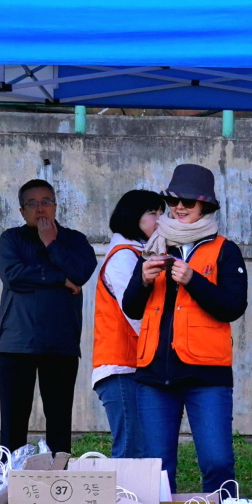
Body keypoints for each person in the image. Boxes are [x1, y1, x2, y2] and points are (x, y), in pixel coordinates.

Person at [122, 164, 248, 493]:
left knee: (218, 461)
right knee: (157, 468)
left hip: (207, 375)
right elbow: (131, 307)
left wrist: (194, 280)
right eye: (173, 201)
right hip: (154, 374)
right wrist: (142, 280)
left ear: (205, 205)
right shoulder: (154, 245)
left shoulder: (226, 250)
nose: (179, 207)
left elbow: (233, 307)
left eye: (188, 202)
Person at [0, 178, 97, 453]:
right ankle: (10, 475)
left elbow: (80, 272)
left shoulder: (74, 240)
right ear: (22, 211)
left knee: (59, 419)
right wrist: (59, 278)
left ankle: (58, 476)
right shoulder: (11, 239)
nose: (40, 209)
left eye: (46, 202)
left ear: (55, 206)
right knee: (13, 422)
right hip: (17, 342)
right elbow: (13, 276)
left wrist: (51, 243)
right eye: (32, 203)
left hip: (60, 343)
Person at [92, 190, 165, 458]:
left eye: (162, 213)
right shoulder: (124, 256)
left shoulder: (137, 252)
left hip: (133, 365)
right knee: (130, 450)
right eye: (152, 213)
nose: (160, 220)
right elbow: (136, 314)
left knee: (141, 450)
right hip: (122, 366)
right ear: (132, 217)